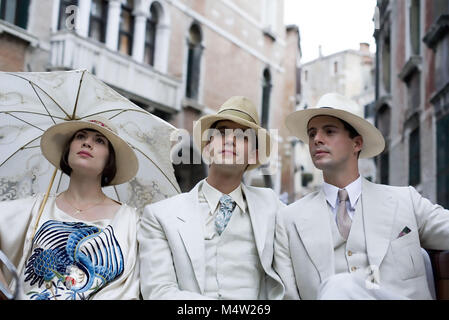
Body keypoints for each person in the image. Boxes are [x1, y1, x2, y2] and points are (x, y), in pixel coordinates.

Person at [274, 92, 449, 300]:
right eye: (312, 134)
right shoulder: (288, 220)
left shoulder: (405, 201)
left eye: (329, 131)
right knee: (338, 287)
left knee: (340, 286)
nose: (317, 140)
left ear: (356, 144)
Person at [138, 96, 284, 299]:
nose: (231, 139)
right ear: (207, 148)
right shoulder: (160, 215)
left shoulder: (273, 208)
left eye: (243, 136)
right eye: (222, 133)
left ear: (253, 156)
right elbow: (158, 291)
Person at [0, 116, 141, 300]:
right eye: (80, 136)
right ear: (68, 150)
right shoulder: (37, 206)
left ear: (109, 160)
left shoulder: (131, 221)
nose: (87, 143)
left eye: (99, 141)